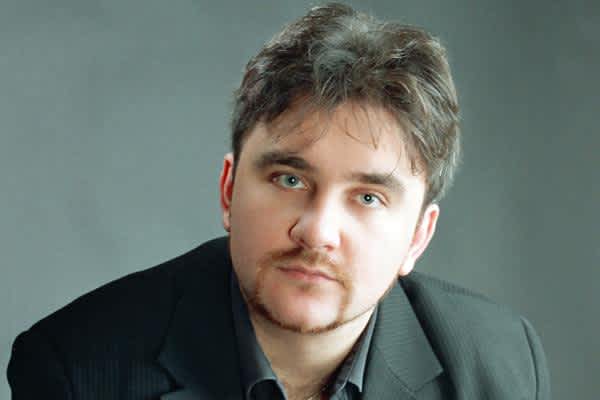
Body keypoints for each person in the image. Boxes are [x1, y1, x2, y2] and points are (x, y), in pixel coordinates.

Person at [7, 3, 550, 399]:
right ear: (229, 190)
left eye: (367, 197)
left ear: (417, 237)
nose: (317, 231)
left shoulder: (499, 363)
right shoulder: (78, 369)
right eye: (290, 180)